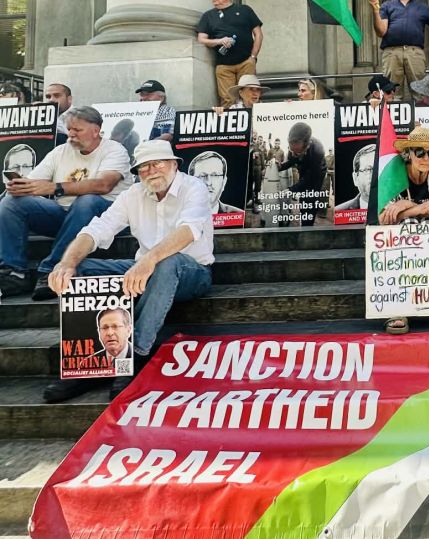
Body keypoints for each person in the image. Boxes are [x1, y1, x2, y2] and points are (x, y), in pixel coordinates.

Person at [44, 140, 214, 403]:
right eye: (143, 167)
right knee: (82, 268)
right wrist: (67, 263)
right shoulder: (132, 195)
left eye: (157, 163)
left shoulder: (194, 187)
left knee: (167, 262)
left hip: (191, 271)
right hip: (142, 270)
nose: (151, 170)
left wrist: (149, 261)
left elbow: (188, 231)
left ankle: (135, 355)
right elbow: (96, 229)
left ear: (173, 164)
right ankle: (88, 363)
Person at [0, 106, 132, 300]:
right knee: (12, 202)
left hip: (107, 219)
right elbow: (36, 181)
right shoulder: (60, 151)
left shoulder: (115, 150)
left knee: (86, 201)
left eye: (77, 130)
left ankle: (52, 269)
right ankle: (14, 272)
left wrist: (55, 188)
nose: (71, 134)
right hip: (66, 216)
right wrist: (21, 186)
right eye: (69, 129)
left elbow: (103, 185)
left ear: (96, 130)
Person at [378, 126, 429, 333]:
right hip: (398, 239)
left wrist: (406, 206)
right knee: (409, 226)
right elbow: (382, 219)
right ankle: (397, 308)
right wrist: (418, 209)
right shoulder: (393, 173)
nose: (426, 157)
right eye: (420, 152)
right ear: (409, 153)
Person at [368, 0, 429, 100]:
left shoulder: (421, 6)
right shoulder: (387, 5)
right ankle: (393, 115)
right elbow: (381, 31)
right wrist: (376, 10)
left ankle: (420, 114)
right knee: (391, 91)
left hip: (414, 51)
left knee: (420, 91)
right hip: (392, 52)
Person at [197, 0, 263, 108]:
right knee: (227, 99)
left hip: (246, 61)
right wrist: (219, 41)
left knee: (249, 95)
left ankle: (251, 122)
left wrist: (253, 57)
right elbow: (201, 39)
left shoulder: (245, 10)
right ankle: (230, 123)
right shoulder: (208, 16)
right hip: (223, 65)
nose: (214, 1)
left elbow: (258, 34)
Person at [279, 122, 327, 227]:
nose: (294, 155)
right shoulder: (293, 147)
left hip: (317, 173)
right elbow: (291, 161)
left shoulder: (318, 151)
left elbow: (309, 178)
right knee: (302, 198)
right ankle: (303, 216)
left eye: (298, 153)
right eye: (292, 151)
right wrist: (280, 167)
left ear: (308, 144)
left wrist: (291, 189)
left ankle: (308, 225)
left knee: (310, 198)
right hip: (304, 169)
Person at [335, 144, 375, 211]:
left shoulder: (398, 207)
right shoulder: (339, 211)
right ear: (356, 178)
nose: (376, 175)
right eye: (368, 169)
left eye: (381, 168)